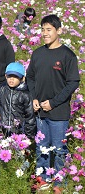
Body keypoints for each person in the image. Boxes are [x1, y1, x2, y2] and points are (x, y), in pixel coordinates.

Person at [26, 15, 80, 194]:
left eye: (49, 30)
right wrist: (34, 98)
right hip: (40, 111)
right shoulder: (38, 53)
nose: (45, 33)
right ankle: (42, 179)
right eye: (42, 29)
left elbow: (73, 82)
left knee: (59, 148)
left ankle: (60, 182)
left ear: (59, 31)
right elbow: (31, 77)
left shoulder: (67, 55)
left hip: (59, 112)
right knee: (42, 147)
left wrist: (54, 102)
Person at [0, 62, 36, 139]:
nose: (11, 79)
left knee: (18, 150)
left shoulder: (25, 94)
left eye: (15, 77)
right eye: (9, 76)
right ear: (6, 76)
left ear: (22, 78)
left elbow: (30, 117)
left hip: (19, 133)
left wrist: (28, 136)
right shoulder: (0, 89)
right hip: (2, 130)